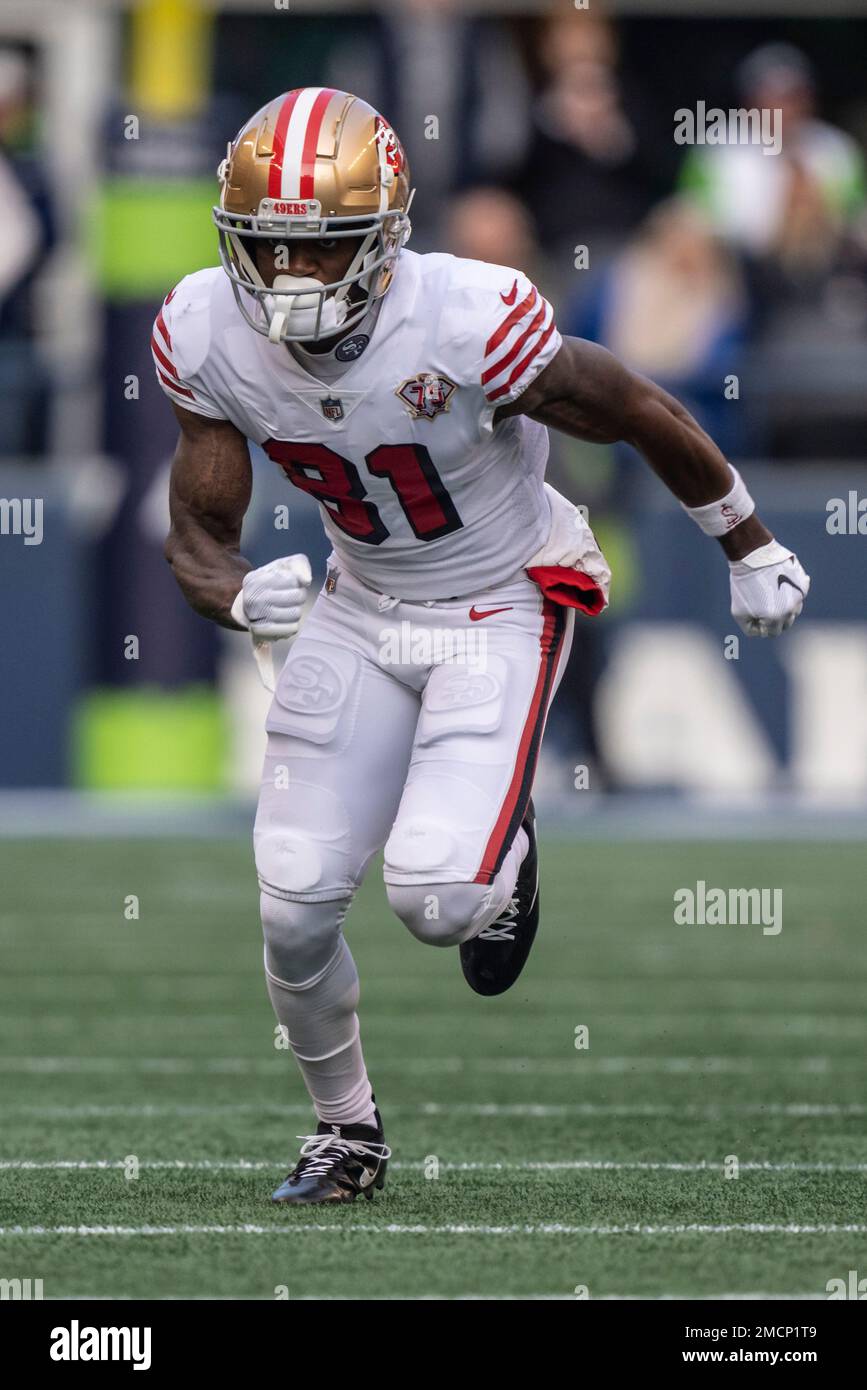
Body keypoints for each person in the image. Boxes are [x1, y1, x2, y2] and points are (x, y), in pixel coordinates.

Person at [156, 88, 810, 1206]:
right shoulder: (206, 329)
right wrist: (234, 595)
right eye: (270, 249)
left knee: (436, 896)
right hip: (360, 605)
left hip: (498, 599)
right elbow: (196, 534)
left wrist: (744, 537)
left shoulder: (467, 317)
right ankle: (345, 1131)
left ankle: (504, 857)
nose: (292, 280)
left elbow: (634, 403)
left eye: (323, 252)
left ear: (388, 236)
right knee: (293, 897)